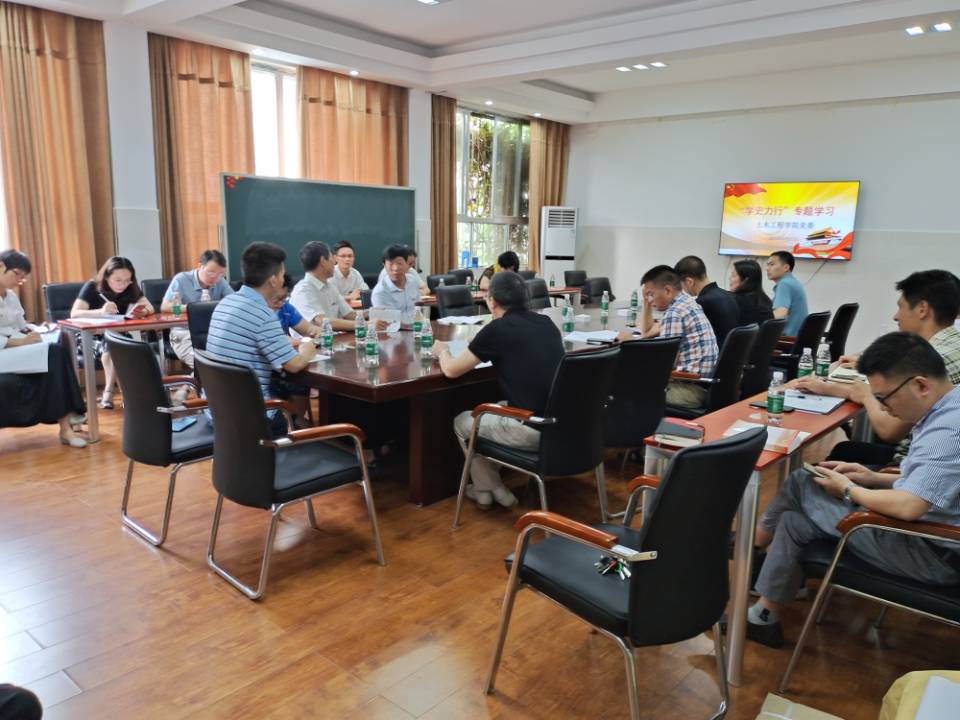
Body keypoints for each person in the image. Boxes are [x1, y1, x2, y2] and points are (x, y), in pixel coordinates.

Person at [746, 332, 960, 648]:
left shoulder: (948, 430)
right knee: (794, 521)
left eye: (885, 398)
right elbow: (935, 484)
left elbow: (910, 506)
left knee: (801, 483)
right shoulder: (949, 406)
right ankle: (762, 617)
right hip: (928, 538)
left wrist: (848, 490)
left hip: (932, 553)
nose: (884, 408)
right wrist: (871, 478)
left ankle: (748, 551)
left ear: (920, 385)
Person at [797, 270, 960, 467]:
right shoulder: (951, 344)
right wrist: (835, 389)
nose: (896, 316)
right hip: (926, 457)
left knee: (833, 461)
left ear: (922, 309)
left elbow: (889, 430)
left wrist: (866, 395)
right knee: (846, 450)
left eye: (901, 307)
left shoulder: (934, 360)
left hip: (911, 465)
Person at [436, 271, 564, 509]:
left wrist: (442, 351)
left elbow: (452, 370)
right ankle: (487, 490)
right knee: (490, 409)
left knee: (463, 421)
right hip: (562, 423)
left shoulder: (497, 329)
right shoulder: (545, 322)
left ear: (492, 301)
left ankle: (491, 489)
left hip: (533, 428)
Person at [206, 242, 316, 430]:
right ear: (273, 280)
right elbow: (294, 365)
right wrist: (307, 349)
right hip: (251, 418)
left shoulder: (226, 302)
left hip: (218, 411)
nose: (283, 279)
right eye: (282, 274)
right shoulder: (262, 314)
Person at [0, 249, 87, 447]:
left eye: (23, 278)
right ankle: (73, 416)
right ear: (1, 266)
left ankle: (67, 428)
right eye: (17, 274)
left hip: (15, 350)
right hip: (4, 352)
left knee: (56, 350)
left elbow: (21, 325)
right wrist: (21, 342)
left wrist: (40, 330)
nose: (19, 281)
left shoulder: (11, 297)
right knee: (55, 354)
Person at [625, 265, 718, 409]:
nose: (650, 299)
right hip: (704, 385)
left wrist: (630, 345)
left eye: (651, 294)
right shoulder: (687, 303)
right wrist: (647, 302)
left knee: (624, 388)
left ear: (668, 290)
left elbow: (665, 364)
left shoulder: (675, 313)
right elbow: (647, 332)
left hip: (688, 390)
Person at [70, 256, 153, 409]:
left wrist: (143, 312)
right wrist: (100, 312)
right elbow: (74, 313)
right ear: (107, 277)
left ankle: (111, 394)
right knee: (113, 346)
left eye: (127, 280)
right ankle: (119, 393)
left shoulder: (130, 287)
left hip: (116, 334)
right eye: (118, 280)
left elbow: (150, 307)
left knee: (114, 343)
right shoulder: (92, 287)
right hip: (88, 337)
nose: (123, 284)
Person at [161, 249, 234, 369]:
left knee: (229, 362)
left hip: (212, 333)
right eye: (211, 273)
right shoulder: (181, 279)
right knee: (205, 366)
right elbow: (165, 306)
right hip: (184, 333)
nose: (215, 278)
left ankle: (192, 382)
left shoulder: (220, 281)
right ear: (200, 266)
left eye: (220, 274)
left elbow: (234, 301)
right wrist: (194, 308)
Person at [290, 241, 371, 332]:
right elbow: (323, 321)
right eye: (331, 258)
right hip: (311, 340)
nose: (334, 262)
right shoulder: (303, 290)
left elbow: (350, 315)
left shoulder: (330, 287)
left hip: (332, 337)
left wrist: (373, 312)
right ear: (323, 261)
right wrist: (366, 324)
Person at [674, 255, 740, 346]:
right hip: (731, 352)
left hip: (714, 353)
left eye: (681, 285)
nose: (683, 289)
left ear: (689, 282)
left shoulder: (701, 303)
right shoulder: (728, 295)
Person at [371, 245, 423, 324]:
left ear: (407, 264)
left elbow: (417, 309)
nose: (395, 268)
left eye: (399, 263)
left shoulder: (413, 281)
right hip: (396, 330)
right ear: (384, 266)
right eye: (391, 264)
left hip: (418, 327)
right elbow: (391, 323)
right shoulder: (380, 292)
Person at [766, 251, 808, 336]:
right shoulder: (792, 282)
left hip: (788, 338)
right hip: (798, 337)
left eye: (772, 264)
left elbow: (779, 315)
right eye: (768, 265)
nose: (767, 268)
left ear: (786, 267)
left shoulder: (785, 284)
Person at [728, 259, 774, 327]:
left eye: (733, 275)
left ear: (745, 280)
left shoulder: (737, 302)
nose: (729, 278)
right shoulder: (765, 300)